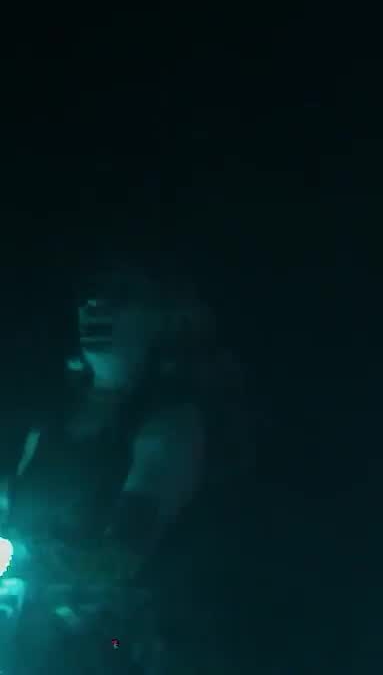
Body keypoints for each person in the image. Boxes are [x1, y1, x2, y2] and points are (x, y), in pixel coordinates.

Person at [0, 261, 249, 674]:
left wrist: (24, 558)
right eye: (89, 291)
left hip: (103, 648)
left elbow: (122, 558)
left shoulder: (170, 424)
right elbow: (15, 501)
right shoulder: (52, 419)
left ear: (162, 315)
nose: (95, 304)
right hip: (26, 630)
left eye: (121, 294)